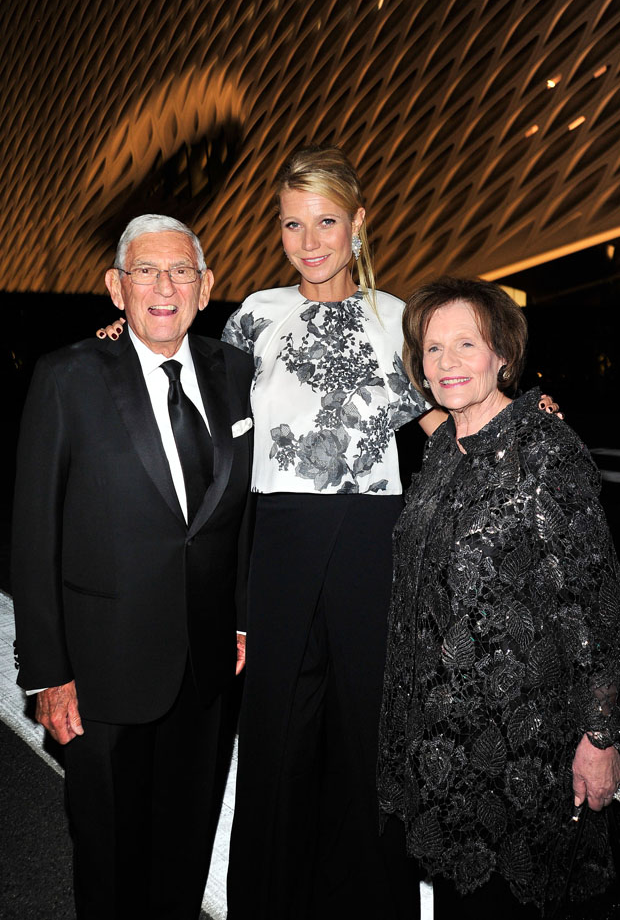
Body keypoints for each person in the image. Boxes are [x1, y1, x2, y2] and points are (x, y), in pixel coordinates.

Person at [96, 149, 559, 918]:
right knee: (276, 742)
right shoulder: (252, 317)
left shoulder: (400, 318)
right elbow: (185, 374)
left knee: (366, 740)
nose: (310, 241)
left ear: (358, 223)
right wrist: (125, 336)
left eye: (326, 222)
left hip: (374, 543)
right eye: (292, 224)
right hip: (276, 541)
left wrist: (523, 417)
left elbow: (450, 411)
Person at [12, 214, 254, 920]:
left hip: (207, 670)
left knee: (183, 853)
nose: (164, 285)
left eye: (181, 269)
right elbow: (35, 537)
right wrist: (49, 672)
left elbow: (242, 515)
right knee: (110, 861)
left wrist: (239, 618)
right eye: (144, 270)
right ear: (115, 287)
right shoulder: (67, 377)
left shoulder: (236, 372)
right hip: (100, 672)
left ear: (206, 287)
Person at [377, 276, 620, 918]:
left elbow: (589, 602)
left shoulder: (545, 449)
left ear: (502, 355)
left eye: (467, 344)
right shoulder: (441, 452)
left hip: (522, 754)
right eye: (434, 349)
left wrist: (600, 739)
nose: (449, 362)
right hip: (441, 747)